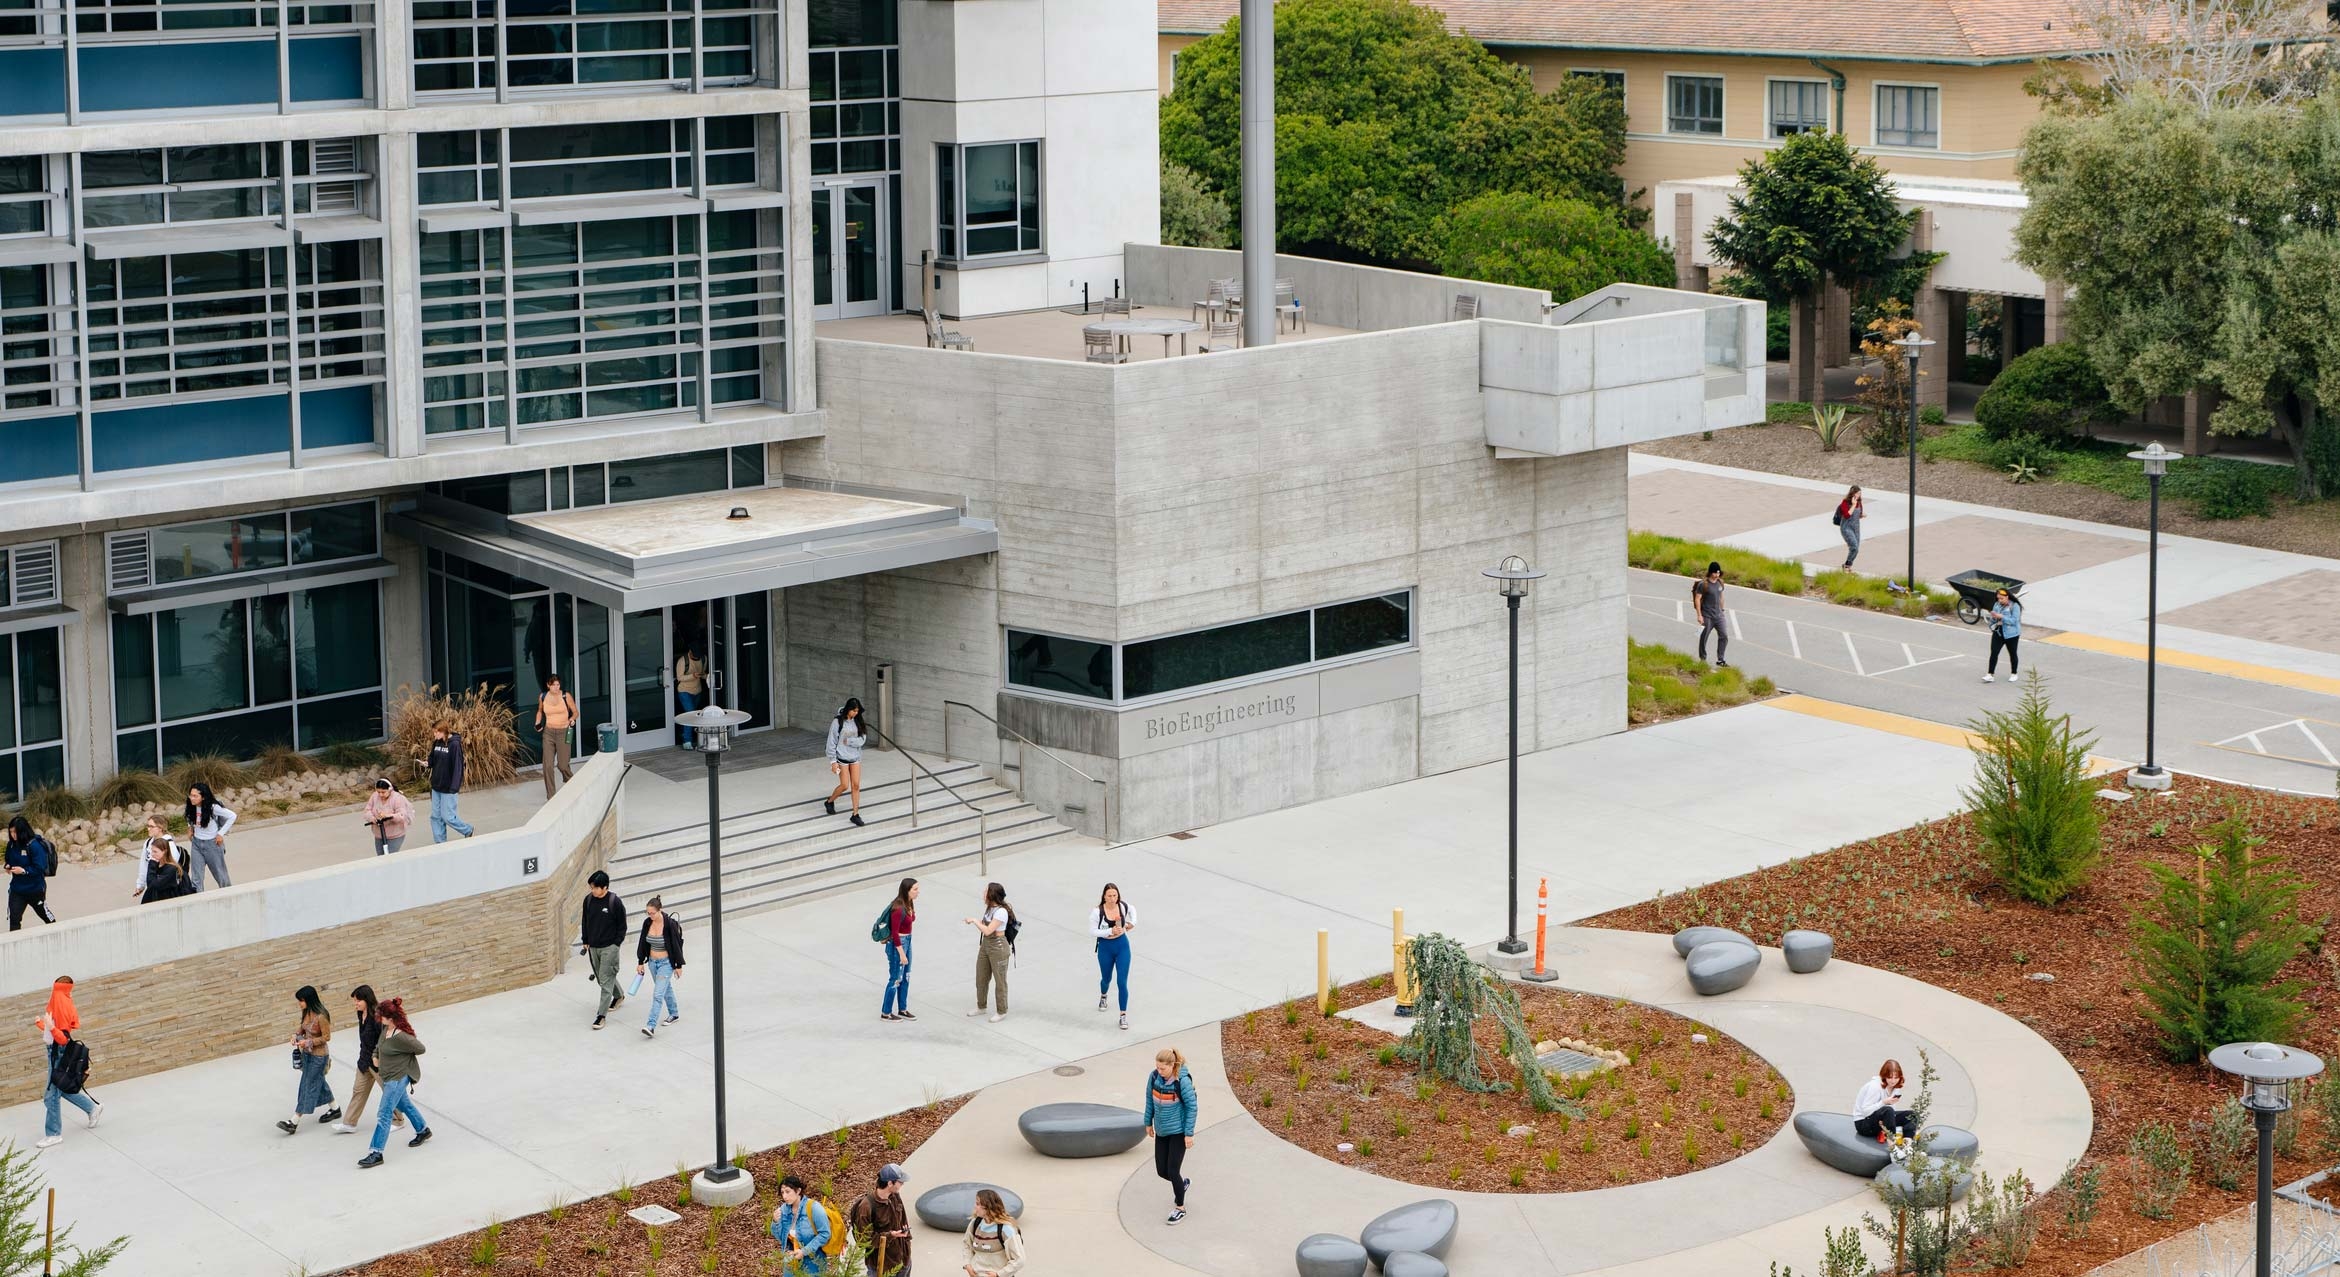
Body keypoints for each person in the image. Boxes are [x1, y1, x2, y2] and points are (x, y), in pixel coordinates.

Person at [358, 996, 432, 1168]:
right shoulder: (386, 1029)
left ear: (390, 1018)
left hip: (397, 1078)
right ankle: (423, 1130)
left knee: (384, 1114)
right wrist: (375, 1056)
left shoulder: (402, 1037)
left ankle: (376, 1153)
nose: (379, 1019)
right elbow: (379, 1045)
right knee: (405, 1104)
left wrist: (406, 1060)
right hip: (388, 1075)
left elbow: (420, 1048)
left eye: (381, 1016)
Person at [33, 976, 100, 1150]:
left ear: (60, 989)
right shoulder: (61, 1002)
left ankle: (53, 1134)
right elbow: (54, 1031)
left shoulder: (62, 1004)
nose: (53, 993)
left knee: (51, 1096)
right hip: (54, 1052)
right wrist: (42, 1024)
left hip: (58, 1053)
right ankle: (92, 1108)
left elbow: (62, 1038)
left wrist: (49, 1025)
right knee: (60, 1089)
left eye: (56, 989)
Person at [334, 985, 404, 1136]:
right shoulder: (361, 1014)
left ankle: (398, 1120)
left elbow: (384, 1041)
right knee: (358, 1090)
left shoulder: (378, 1017)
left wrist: (378, 1058)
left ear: (367, 999)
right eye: (355, 1001)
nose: (356, 1004)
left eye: (358, 1000)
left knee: (389, 1092)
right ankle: (349, 1123)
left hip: (379, 1062)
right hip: (364, 1060)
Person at [1143, 1047, 1199, 1224]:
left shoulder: (1182, 1082)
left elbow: (1192, 1107)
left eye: (1163, 1069)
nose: (1159, 1072)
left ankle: (1180, 1208)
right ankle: (1180, 1185)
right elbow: (1149, 1100)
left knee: (1173, 1170)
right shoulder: (1153, 1077)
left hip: (1178, 1132)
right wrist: (1148, 1122)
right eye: (1157, 1068)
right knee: (1162, 1171)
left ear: (1172, 1066)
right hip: (1162, 1130)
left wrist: (1188, 1134)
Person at [279, 985, 341, 1134]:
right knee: (318, 1082)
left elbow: (327, 1037)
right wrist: (296, 1035)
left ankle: (294, 1121)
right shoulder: (306, 1012)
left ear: (309, 1000)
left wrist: (308, 1042)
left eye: (301, 1000)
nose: (299, 1004)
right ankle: (335, 1109)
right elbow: (303, 1028)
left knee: (307, 1085)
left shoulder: (322, 1016)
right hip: (306, 1055)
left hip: (319, 1057)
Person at [578, 870, 629, 1029]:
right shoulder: (588, 900)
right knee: (601, 979)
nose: (592, 890)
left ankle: (601, 1015)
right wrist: (585, 940)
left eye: (595, 888)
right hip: (593, 947)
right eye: (591, 887)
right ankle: (619, 995)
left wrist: (616, 944)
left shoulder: (614, 902)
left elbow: (622, 926)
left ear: (604, 887)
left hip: (609, 947)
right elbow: (585, 921)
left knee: (605, 981)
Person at [848, 1164, 913, 1277]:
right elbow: (863, 1240)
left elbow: (903, 1220)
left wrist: (907, 1237)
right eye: (899, 1181)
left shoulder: (895, 1196)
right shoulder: (866, 1207)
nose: (902, 1183)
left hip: (903, 1262)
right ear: (889, 1183)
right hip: (883, 1268)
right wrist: (890, 1235)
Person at [963, 881, 1014, 1023]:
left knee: (1000, 980)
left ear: (991, 895)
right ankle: (981, 1006)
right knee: (981, 977)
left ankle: (1002, 1010)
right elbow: (986, 926)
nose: (983, 893)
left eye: (986, 891)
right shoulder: (990, 908)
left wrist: (974, 920)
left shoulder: (1001, 912)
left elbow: (988, 930)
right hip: (986, 945)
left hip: (998, 946)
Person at [636, 895, 684, 1039]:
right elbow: (642, 942)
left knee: (657, 994)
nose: (650, 915)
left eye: (652, 913)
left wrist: (678, 965)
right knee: (665, 988)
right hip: (652, 962)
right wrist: (640, 962)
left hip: (666, 963)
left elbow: (677, 945)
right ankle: (674, 1013)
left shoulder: (669, 924)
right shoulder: (647, 923)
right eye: (648, 913)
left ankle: (650, 1025)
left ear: (659, 910)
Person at [770, 1174, 833, 1274]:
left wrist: (804, 1252)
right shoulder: (783, 1209)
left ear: (798, 1191)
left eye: (787, 1192)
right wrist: (775, 1222)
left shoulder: (814, 1208)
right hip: (791, 1260)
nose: (784, 1196)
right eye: (782, 1193)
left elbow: (825, 1234)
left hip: (813, 1261)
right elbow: (781, 1238)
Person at [1092, 883, 1133, 1030]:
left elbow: (1133, 911)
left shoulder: (1122, 906)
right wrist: (1109, 931)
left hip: (1122, 946)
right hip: (1105, 948)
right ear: (1104, 896)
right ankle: (1104, 995)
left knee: (1122, 982)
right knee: (1106, 979)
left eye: (1115, 895)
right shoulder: (1097, 912)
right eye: (1109, 895)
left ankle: (1123, 1016)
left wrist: (1131, 923)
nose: (1112, 898)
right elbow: (1093, 931)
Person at [7, 816, 59, 929]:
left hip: (35, 890)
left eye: (15, 832)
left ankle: (57, 931)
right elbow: (9, 859)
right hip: (17, 890)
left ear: (23, 831)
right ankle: (16, 943)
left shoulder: (34, 846)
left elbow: (39, 868)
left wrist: (24, 871)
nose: (13, 835)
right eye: (11, 832)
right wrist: (8, 866)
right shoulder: (11, 845)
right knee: (14, 919)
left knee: (45, 915)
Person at [425, 722, 474, 842]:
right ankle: (440, 843)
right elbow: (432, 758)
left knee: (448, 817)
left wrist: (454, 788)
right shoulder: (437, 742)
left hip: (448, 787)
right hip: (436, 785)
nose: (434, 734)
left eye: (436, 732)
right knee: (436, 817)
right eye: (434, 732)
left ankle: (467, 830)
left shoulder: (454, 745)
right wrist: (428, 763)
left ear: (443, 731)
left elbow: (458, 767)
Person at [824, 698, 869, 827]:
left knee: (856, 785)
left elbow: (862, 739)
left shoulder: (859, 721)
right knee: (844, 785)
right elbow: (831, 742)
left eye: (857, 711)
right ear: (848, 709)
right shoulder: (837, 722)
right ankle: (830, 801)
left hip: (855, 757)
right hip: (841, 758)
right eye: (854, 711)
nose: (856, 713)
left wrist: (849, 741)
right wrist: (833, 761)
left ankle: (855, 814)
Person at [960, 1187, 1025, 1276]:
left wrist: (999, 1274)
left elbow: (1019, 1259)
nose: (975, 1206)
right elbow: (966, 1244)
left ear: (988, 1207)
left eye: (978, 1204)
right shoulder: (975, 1223)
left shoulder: (1006, 1229)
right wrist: (967, 1264)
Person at [184, 782, 236, 890]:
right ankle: (198, 900)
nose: (191, 798)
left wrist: (220, 834)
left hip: (212, 845)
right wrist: (190, 827)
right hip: (196, 844)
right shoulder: (191, 805)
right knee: (196, 878)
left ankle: (228, 896)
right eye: (191, 795)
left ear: (203, 797)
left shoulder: (213, 807)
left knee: (221, 876)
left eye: (195, 796)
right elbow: (189, 816)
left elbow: (232, 816)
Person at [534, 674, 579, 798]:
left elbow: (576, 712)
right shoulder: (543, 696)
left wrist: (571, 719)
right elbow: (539, 711)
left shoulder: (566, 696)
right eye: (553, 685)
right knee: (547, 766)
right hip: (548, 733)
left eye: (558, 684)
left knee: (563, 765)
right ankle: (551, 796)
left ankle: (573, 783)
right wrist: (537, 722)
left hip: (564, 732)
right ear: (548, 685)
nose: (556, 687)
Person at [1853, 1058, 1915, 1143]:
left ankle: (1907, 1143)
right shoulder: (1875, 1086)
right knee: (1888, 1110)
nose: (1893, 1081)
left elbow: (1891, 1113)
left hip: (1881, 1121)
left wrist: (1886, 1120)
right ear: (1884, 1075)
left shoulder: (1895, 1087)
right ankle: (1893, 1147)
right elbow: (1865, 1111)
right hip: (1864, 1124)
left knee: (1912, 1115)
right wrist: (1883, 1102)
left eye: (1896, 1077)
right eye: (1890, 1077)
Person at [881, 877, 917, 1022]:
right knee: (896, 978)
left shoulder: (909, 903)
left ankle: (902, 1009)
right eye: (915, 889)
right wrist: (902, 953)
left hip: (908, 941)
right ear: (907, 890)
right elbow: (895, 933)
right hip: (898, 944)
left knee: (906, 977)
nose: (918, 892)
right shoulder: (898, 908)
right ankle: (886, 1013)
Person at [1691, 561, 1729, 668]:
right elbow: (1697, 599)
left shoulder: (1720, 583)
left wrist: (1722, 610)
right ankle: (1702, 658)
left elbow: (1721, 596)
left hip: (1719, 616)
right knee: (1703, 637)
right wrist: (1699, 615)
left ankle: (1720, 659)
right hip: (1707, 616)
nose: (1717, 575)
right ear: (1710, 572)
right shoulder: (1704, 585)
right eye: (1715, 573)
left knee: (1724, 636)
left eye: (1718, 573)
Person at [364, 778, 415, 856]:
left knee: (391, 856)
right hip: (379, 834)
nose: (380, 795)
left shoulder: (397, 798)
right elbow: (367, 810)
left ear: (390, 789)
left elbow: (402, 815)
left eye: (383, 792)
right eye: (378, 792)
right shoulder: (374, 796)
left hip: (395, 834)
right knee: (380, 857)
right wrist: (372, 818)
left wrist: (388, 816)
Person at [137, 833, 190, 905]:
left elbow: (153, 885)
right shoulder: (157, 865)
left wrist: (151, 865)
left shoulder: (171, 868)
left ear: (164, 851)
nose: (152, 854)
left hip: (167, 902)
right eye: (152, 851)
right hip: (156, 900)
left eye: (155, 852)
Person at [1983, 588, 2022, 684]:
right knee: (1994, 653)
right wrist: (1993, 619)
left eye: (2002, 599)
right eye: (1998, 598)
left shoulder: (2015, 606)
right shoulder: (1996, 604)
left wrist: (2002, 617)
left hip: (2011, 634)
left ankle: (2014, 673)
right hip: (1998, 632)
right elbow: (1993, 618)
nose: (1999, 600)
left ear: (2007, 597)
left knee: (2012, 653)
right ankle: (1990, 674)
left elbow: (2014, 621)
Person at [675, 645, 708, 747]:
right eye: (694, 656)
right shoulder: (682, 661)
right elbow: (679, 677)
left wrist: (705, 676)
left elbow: (703, 673)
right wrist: (692, 676)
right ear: (690, 652)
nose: (696, 658)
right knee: (690, 714)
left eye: (698, 656)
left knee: (693, 714)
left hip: (697, 691)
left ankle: (685, 735)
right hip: (684, 690)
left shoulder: (703, 658)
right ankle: (687, 741)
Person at [1835, 485, 1865, 569]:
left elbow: (1858, 514)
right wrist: (1853, 505)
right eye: (1857, 494)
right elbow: (1847, 515)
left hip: (1856, 529)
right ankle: (1847, 567)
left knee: (1855, 549)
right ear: (1852, 494)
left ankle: (1847, 566)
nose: (1859, 496)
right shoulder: (1845, 503)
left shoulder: (1859, 502)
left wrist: (1862, 515)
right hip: (1846, 528)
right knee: (1854, 547)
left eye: (1860, 494)